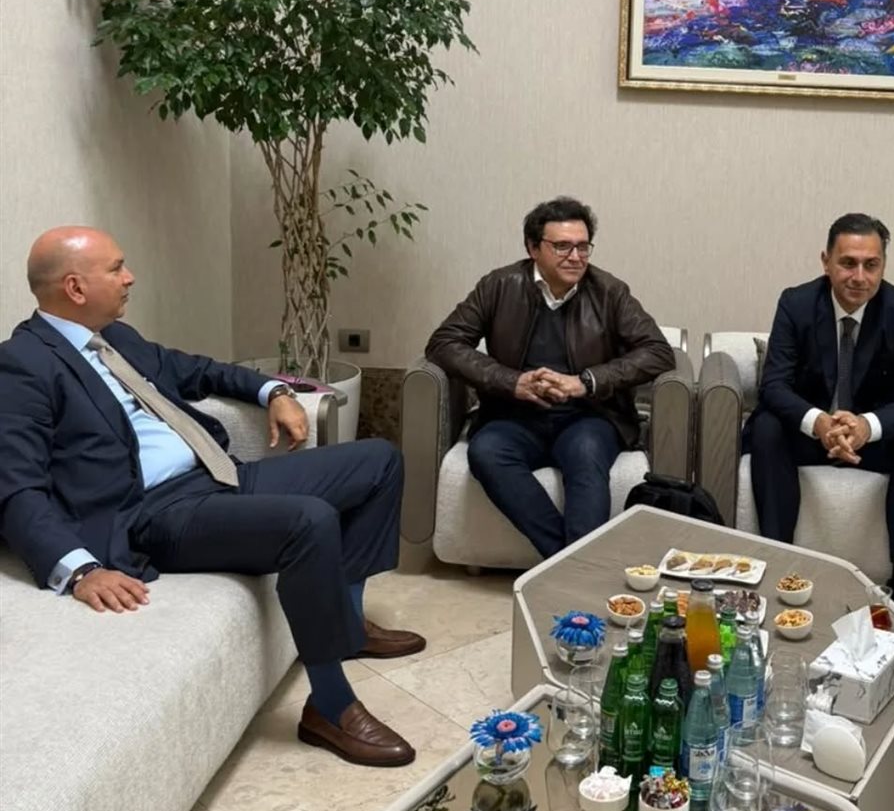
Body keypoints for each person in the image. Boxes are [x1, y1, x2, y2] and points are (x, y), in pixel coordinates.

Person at [0, 228, 424, 769]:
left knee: (378, 460)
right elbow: (16, 486)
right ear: (76, 288)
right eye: (116, 268)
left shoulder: (116, 338)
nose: (129, 278)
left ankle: (348, 619)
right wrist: (79, 570)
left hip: (217, 477)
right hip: (155, 513)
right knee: (309, 520)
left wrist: (275, 391)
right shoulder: (22, 365)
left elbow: (198, 370)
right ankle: (330, 704)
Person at [425, 196, 675, 557]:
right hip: (513, 414)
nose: (576, 257)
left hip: (588, 415)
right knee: (487, 451)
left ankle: (571, 569)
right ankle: (569, 563)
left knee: (586, 454)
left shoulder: (609, 292)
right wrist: (511, 381)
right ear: (533, 248)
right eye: (562, 246)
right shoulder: (499, 286)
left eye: (583, 246)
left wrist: (584, 381)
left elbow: (658, 351)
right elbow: (444, 343)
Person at [747, 213, 894, 644]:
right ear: (826, 261)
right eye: (848, 263)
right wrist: (818, 421)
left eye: (871, 265)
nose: (859, 276)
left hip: (869, 439)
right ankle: (780, 563)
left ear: (883, 265)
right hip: (810, 435)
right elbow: (773, 385)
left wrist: (866, 427)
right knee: (766, 428)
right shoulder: (796, 303)